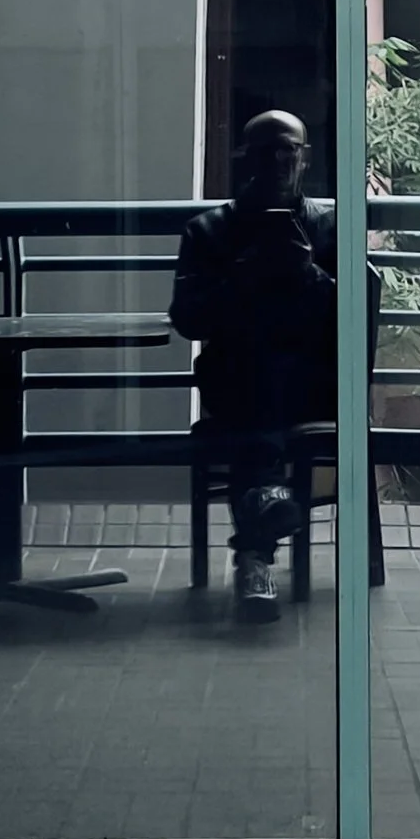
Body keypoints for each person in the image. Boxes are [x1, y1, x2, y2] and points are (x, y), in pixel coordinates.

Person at [171, 110, 338, 620]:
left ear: (304, 157)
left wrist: (306, 272)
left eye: (289, 149)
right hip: (239, 383)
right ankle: (259, 533)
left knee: (268, 378)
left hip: (311, 383)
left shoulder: (329, 226)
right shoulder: (209, 231)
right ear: (248, 158)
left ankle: (257, 537)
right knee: (256, 372)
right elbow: (187, 320)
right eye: (268, 150)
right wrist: (241, 280)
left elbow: (352, 314)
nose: (280, 160)